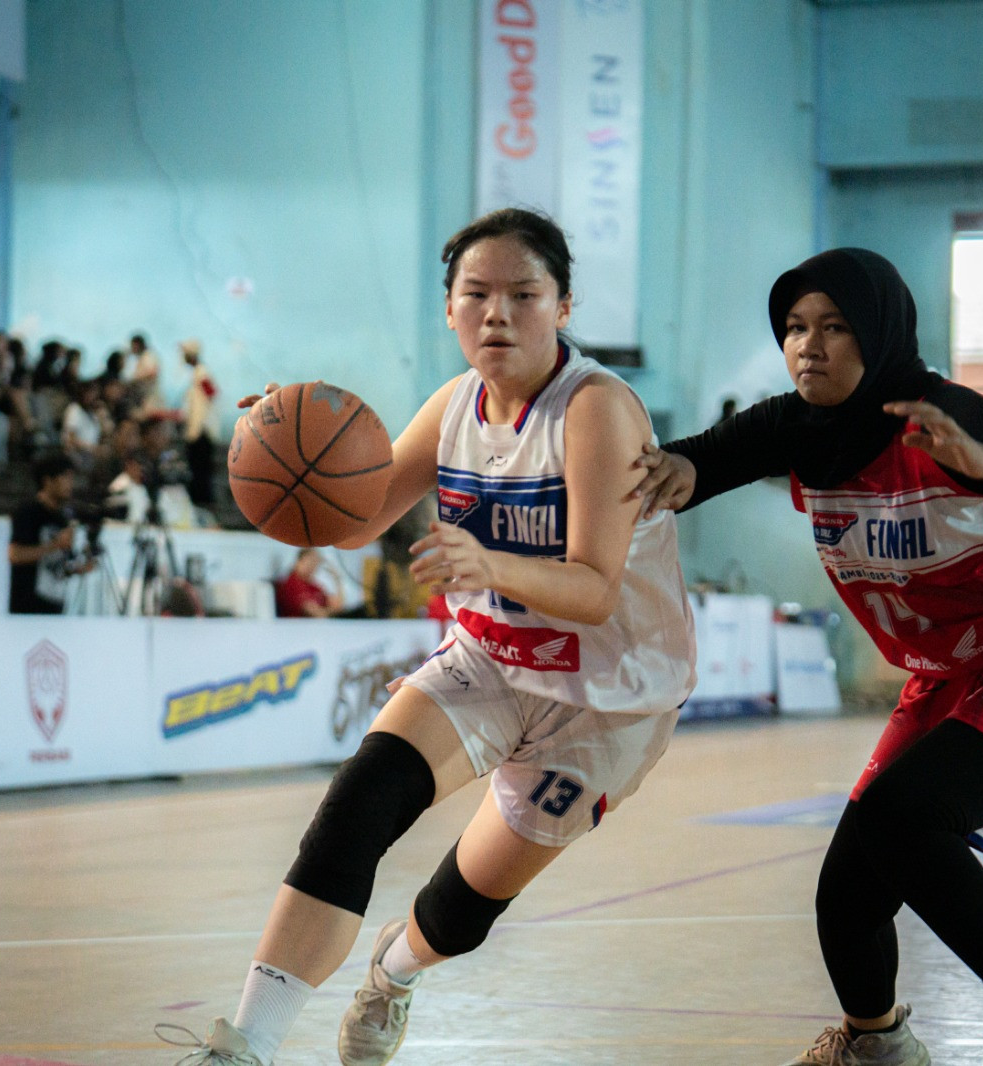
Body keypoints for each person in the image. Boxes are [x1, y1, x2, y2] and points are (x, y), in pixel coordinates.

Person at [158, 208, 696, 1066]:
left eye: (524, 295)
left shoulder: (596, 409)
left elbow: (596, 591)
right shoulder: (452, 406)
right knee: (357, 806)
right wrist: (279, 459)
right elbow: (356, 520)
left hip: (609, 698)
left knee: (461, 908)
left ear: (563, 306)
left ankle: (393, 973)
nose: (497, 313)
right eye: (475, 294)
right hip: (492, 662)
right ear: (448, 309)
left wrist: (488, 563)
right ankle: (244, 1046)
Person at [633, 248, 983, 1066]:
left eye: (834, 327)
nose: (809, 345)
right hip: (951, 677)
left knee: (901, 817)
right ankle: (877, 1047)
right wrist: (625, 472)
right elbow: (696, 465)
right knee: (847, 890)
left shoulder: (937, 414)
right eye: (795, 327)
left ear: (878, 334)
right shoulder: (793, 426)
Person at [8, 452, 94, 614]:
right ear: (48, 481)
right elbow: (15, 555)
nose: (70, 484)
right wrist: (54, 545)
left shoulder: (63, 517)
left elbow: (58, 566)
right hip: (28, 607)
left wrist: (80, 568)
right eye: (65, 477)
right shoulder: (28, 512)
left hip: (55, 605)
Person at [178, 338, 219, 507]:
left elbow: (211, 394)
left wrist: (202, 422)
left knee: (200, 472)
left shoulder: (201, 372)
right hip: (197, 429)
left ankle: (202, 504)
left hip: (200, 431)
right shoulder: (197, 373)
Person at [272, 547, 344, 618]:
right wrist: (332, 612)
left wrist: (337, 579)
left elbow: (337, 606)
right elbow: (315, 613)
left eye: (316, 562)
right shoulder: (291, 583)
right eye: (311, 561)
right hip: (297, 624)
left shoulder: (314, 586)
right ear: (299, 561)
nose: (313, 566)